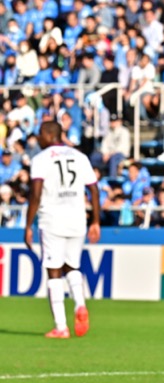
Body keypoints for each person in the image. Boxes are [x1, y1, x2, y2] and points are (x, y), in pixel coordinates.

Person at [24, 121, 101, 338]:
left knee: (54, 272)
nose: (38, 138)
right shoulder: (79, 156)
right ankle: (79, 304)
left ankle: (61, 327)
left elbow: (36, 195)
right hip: (77, 218)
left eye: (40, 134)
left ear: (49, 135)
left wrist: (28, 225)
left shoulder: (40, 159)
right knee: (72, 266)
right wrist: (96, 221)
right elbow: (94, 190)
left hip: (52, 219)